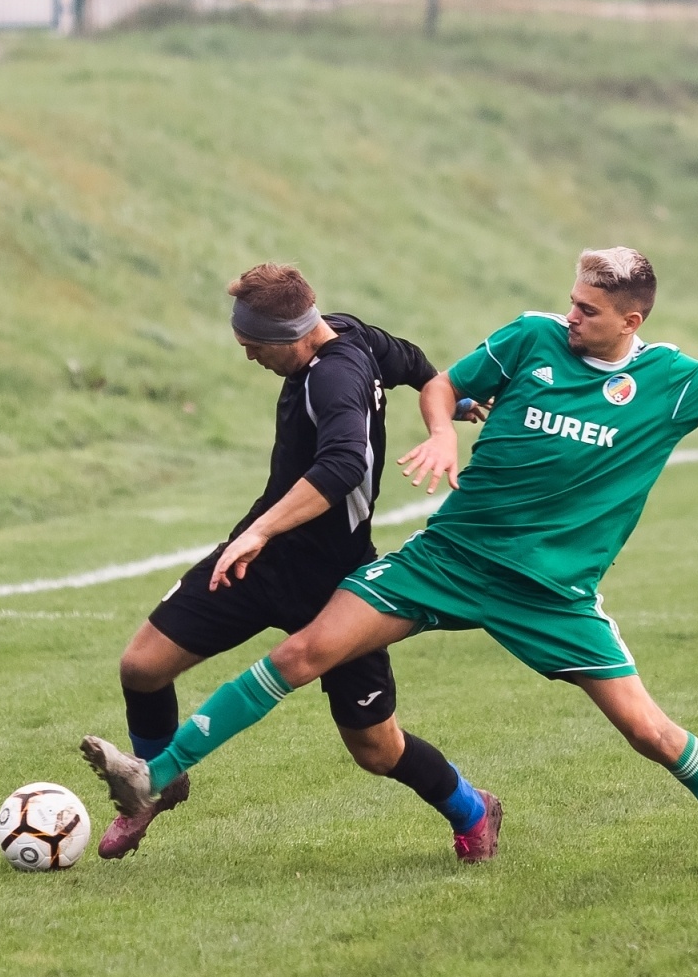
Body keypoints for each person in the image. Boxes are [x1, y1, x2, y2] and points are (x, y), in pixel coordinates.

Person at [83, 235, 698, 876]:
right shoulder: (530, 340)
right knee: (303, 653)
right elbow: (443, 382)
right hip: (449, 556)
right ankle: (156, 778)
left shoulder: (673, 383)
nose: (571, 315)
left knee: (649, 732)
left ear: (632, 320)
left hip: (553, 594)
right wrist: (445, 427)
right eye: (571, 300)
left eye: (587, 308)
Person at [99, 262, 501, 862]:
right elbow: (412, 361)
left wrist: (258, 529)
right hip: (261, 564)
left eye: (253, 346)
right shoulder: (349, 332)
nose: (248, 357)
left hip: (337, 585)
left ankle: (474, 809)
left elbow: (342, 467)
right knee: (142, 666)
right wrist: (451, 396)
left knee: (376, 750)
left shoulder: (332, 380)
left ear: (289, 336)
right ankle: (156, 782)